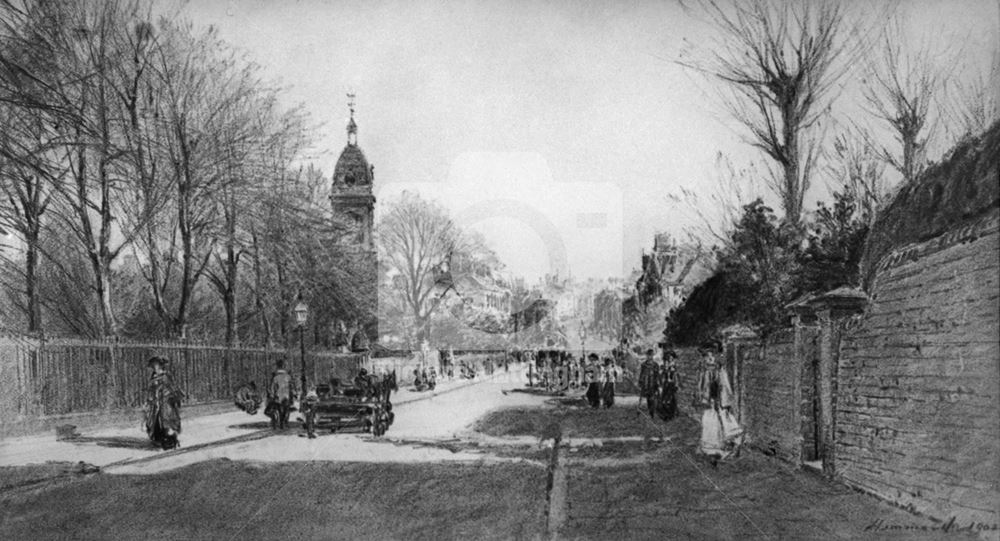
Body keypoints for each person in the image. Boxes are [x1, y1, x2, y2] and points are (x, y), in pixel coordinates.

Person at [697, 345, 742, 464]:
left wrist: (724, 401)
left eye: (712, 356)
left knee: (727, 422)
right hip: (710, 402)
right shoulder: (704, 371)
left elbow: (725, 386)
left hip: (720, 401)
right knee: (710, 424)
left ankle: (736, 443)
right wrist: (703, 397)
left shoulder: (720, 370)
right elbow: (702, 387)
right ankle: (713, 450)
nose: (710, 358)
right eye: (707, 357)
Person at [145, 356, 183, 450]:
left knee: (167, 421)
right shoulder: (154, 376)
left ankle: (170, 441)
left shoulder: (166, 376)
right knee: (155, 421)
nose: (154, 368)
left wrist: (171, 396)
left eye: (156, 366)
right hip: (156, 403)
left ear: (160, 366)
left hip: (166, 403)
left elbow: (172, 388)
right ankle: (158, 438)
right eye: (153, 366)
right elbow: (152, 389)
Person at [267, 359, 297, 430]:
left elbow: (272, 387)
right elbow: (291, 386)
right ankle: (282, 422)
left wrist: (272, 394)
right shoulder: (287, 376)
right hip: (285, 395)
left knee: (280, 410)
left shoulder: (276, 377)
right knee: (285, 410)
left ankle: (281, 422)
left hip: (278, 396)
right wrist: (294, 393)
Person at [658, 350, 680, 421]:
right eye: (669, 358)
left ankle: (671, 414)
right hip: (666, 384)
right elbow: (662, 374)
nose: (670, 359)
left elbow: (676, 376)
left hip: (671, 385)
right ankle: (665, 415)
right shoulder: (665, 365)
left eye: (671, 358)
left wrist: (675, 384)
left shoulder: (674, 366)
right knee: (664, 399)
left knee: (671, 400)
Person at [638, 348, 660, 418]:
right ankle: (639, 413)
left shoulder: (655, 365)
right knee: (643, 399)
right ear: (647, 356)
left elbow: (657, 375)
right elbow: (641, 374)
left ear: (653, 356)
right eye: (648, 355)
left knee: (652, 399)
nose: (650, 357)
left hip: (652, 384)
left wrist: (657, 384)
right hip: (645, 384)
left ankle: (652, 413)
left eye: (651, 355)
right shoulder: (644, 365)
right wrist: (640, 381)